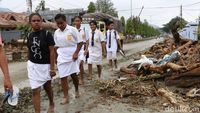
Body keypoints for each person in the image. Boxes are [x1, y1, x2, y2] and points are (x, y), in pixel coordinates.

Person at [27, 13, 56, 113]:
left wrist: (52, 68)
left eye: (38, 20)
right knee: (35, 90)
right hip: (33, 66)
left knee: (47, 87)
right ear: (30, 22)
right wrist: (28, 62)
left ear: (41, 21)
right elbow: (29, 50)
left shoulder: (47, 34)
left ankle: (51, 102)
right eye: (34, 21)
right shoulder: (29, 35)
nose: (36, 22)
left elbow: (52, 51)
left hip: (45, 66)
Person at [54, 14, 83, 104]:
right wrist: (55, 58)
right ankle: (66, 97)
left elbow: (80, 42)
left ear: (65, 21)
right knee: (63, 77)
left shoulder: (72, 30)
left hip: (72, 56)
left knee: (74, 75)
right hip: (61, 56)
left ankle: (77, 89)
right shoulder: (56, 32)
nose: (60, 25)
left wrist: (76, 53)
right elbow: (55, 46)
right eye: (58, 24)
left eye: (61, 23)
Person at [74, 16, 89, 85]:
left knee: (80, 64)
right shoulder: (72, 30)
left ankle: (81, 78)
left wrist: (86, 49)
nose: (77, 22)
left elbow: (87, 40)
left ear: (81, 21)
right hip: (75, 49)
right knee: (76, 65)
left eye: (78, 21)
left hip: (82, 49)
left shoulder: (84, 29)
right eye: (76, 21)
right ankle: (77, 78)